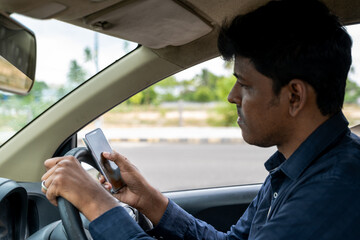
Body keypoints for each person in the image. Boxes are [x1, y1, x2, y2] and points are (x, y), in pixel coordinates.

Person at [41, 0, 360, 239]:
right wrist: (150, 201)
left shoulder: (333, 188)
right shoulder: (296, 169)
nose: (232, 96)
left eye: (245, 85)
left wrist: (98, 205)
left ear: (294, 97)